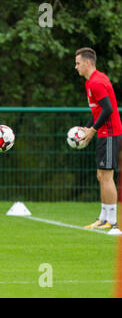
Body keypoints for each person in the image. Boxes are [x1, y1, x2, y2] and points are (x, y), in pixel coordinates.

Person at [74, 47, 122, 235]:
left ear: (87, 63)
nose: (75, 67)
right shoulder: (89, 83)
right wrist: (87, 128)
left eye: (78, 63)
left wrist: (92, 131)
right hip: (103, 133)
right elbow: (97, 111)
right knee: (101, 176)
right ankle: (103, 218)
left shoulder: (96, 82)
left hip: (109, 133)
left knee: (108, 177)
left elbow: (109, 109)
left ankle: (113, 222)